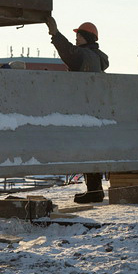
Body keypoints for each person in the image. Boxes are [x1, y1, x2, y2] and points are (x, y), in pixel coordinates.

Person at [45, 16, 109, 203]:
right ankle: (94, 189)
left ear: (87, 38)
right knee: (92, 149)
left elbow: (68, 52)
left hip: (85, 109)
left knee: (88, 149)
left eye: (79, 36)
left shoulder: (85, 56)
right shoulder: (97, 57)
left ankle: (94, 191)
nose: (77, 38)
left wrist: (55, 34)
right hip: (94, 110)